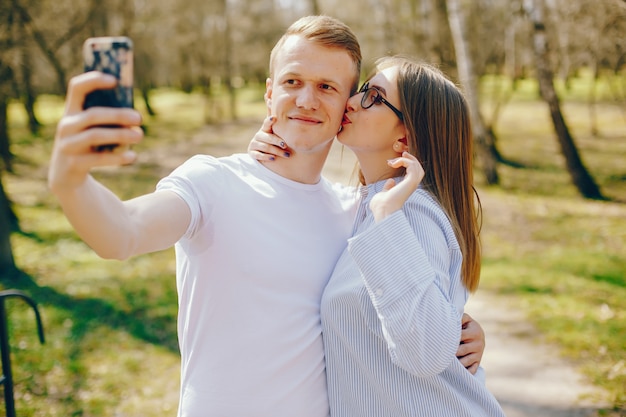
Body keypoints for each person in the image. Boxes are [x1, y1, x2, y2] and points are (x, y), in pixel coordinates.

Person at [48, 15, 484, 417]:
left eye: (328, 87)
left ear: (346, 107)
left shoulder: (358, 214)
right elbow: (122, 233)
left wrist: (462, 331)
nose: (306, 100)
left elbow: (411, 308)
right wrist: (71, 182)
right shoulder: (213, 182)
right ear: (269, 92)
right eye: (293, 81)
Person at [249, 56, 505, 416]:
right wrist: (267, 154)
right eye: (361, 90)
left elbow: (428, 349)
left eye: (373, 96)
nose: (352, 101)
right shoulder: (367, 208)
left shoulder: (409, 213)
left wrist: (387, 219)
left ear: (406, 135)